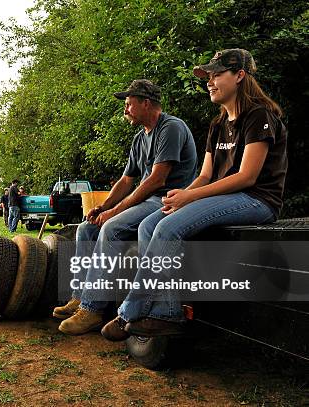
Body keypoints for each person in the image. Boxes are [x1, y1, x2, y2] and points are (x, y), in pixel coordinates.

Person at [101, 49, 288, 341]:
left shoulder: (258, 116)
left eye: (216, 75)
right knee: (151, 222)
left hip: (257, 200)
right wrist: (181, 195)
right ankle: (167, 312)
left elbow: (246, 177)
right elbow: (204, 175)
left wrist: (191, 199)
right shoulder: (218, 124)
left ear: (239, 76)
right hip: (225, 198)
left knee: (166, 228)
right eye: (208, 76)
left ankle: (129, 311)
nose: (209, 82)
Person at [55, 79, 198, 335]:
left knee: (111, 228)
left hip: (167, 200)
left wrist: (114, 212)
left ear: (145, 103)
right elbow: (126, 180)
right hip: (146, 199)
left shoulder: (171, 128)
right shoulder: (139, 139)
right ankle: (79, 296)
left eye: (129, 104)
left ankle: (92, 309)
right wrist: (102, 207)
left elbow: (157, 180)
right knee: (87, 229)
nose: (125, 110)